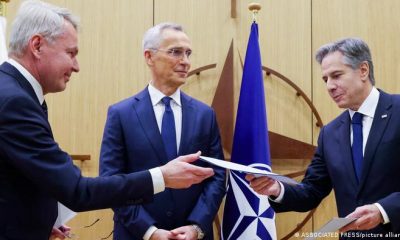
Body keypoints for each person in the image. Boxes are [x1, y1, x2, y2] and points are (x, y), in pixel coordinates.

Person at [0, 1, 215, 239]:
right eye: (70, 53)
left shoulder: (15, 93)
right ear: (37, 46)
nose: (76, 66)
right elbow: (77, 190)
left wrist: (39, 220)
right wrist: (162, 177)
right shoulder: (14, 101)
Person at [246, 37, 400, 239]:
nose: (329, 86)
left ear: (363, 70)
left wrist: (383, 210)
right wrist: (277, 189)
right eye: (325, 79)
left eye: (336, 75)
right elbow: (311, 191)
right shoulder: (330, 133)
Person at [99, 22, 226, 240]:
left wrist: (196, 226)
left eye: (188, 53)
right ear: (149, 57)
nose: (185, 61)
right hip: (137, 234)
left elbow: (217, 176)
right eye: (176, 52)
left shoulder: (205, 115)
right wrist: (150, 231)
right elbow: (111, 180)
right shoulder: (121, 114)